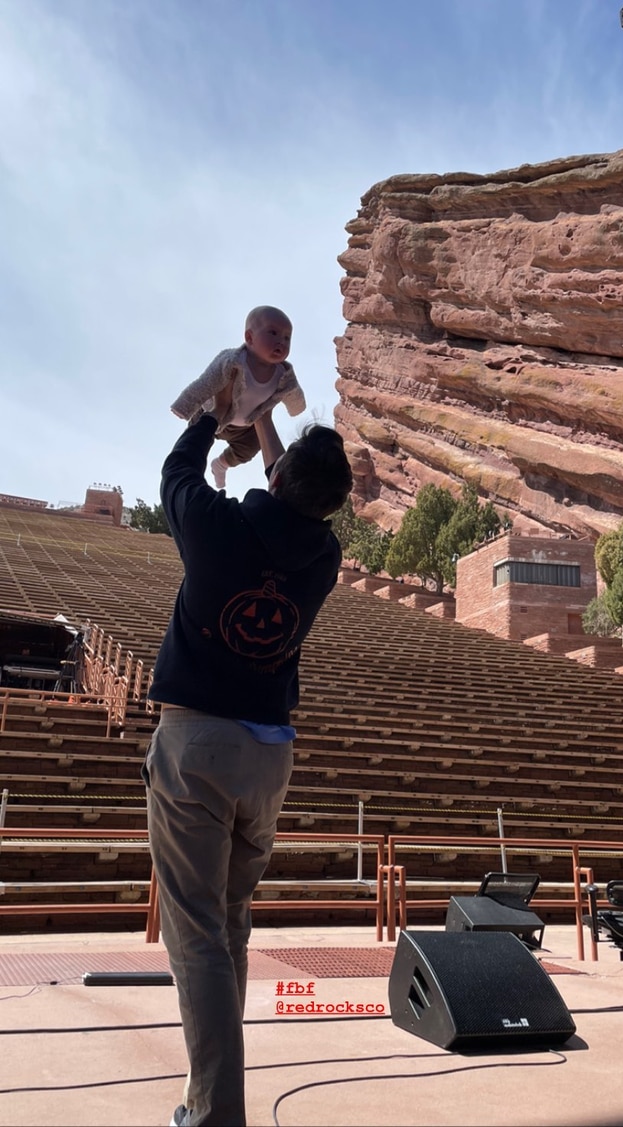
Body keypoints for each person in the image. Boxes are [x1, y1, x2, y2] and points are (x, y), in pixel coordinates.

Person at [143, 400, 353, 1127]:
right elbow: (290, 498)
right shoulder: (323, 557)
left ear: (282, 472)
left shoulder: (217, 527)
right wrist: (263, 429)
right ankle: (212, 1097)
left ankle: (213, 1114)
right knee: (229, 923)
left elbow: (174, 472)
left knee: (195, 931)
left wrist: (209, 417)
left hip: (197, 744)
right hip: (269, 755)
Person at [170, 306, 306, 490]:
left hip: (246, 427)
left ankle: (221, 465)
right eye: (273, 333)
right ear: (249, 338)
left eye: (287, 338)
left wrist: (297, 408)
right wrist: (184, 405)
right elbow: (206, 382)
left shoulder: (284, 374)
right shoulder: (232, 361)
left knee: (251, 447)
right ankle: (193, 475)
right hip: (211, 413)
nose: (281, 342)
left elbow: (294, 393)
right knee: (195, 439)